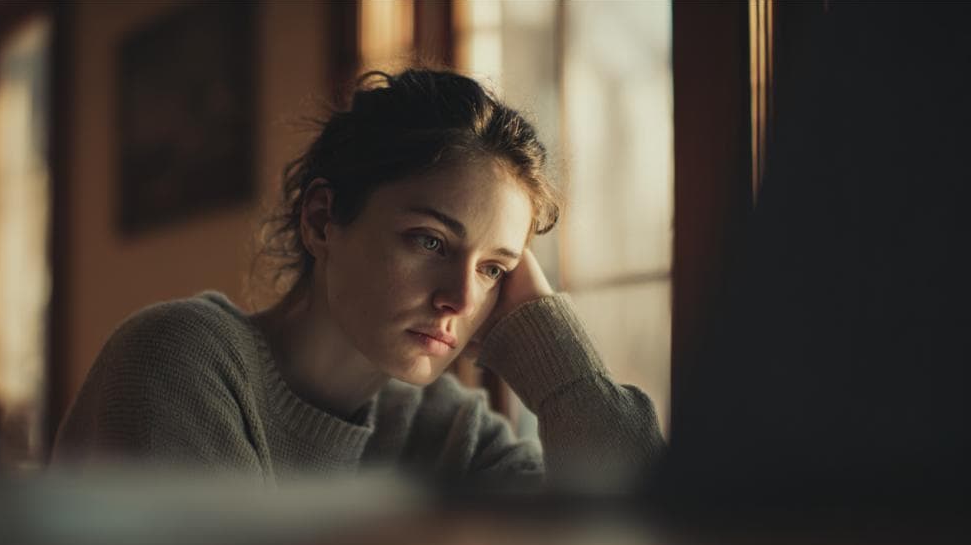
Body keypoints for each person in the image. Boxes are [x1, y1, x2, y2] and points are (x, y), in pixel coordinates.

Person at [53, 69, 663, 489]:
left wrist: (555, 362)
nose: (460, 298)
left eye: (493, 269)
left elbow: (650, 544)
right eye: (429, 240)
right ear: (322, 220)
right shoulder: (180, 358)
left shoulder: (450, 431)